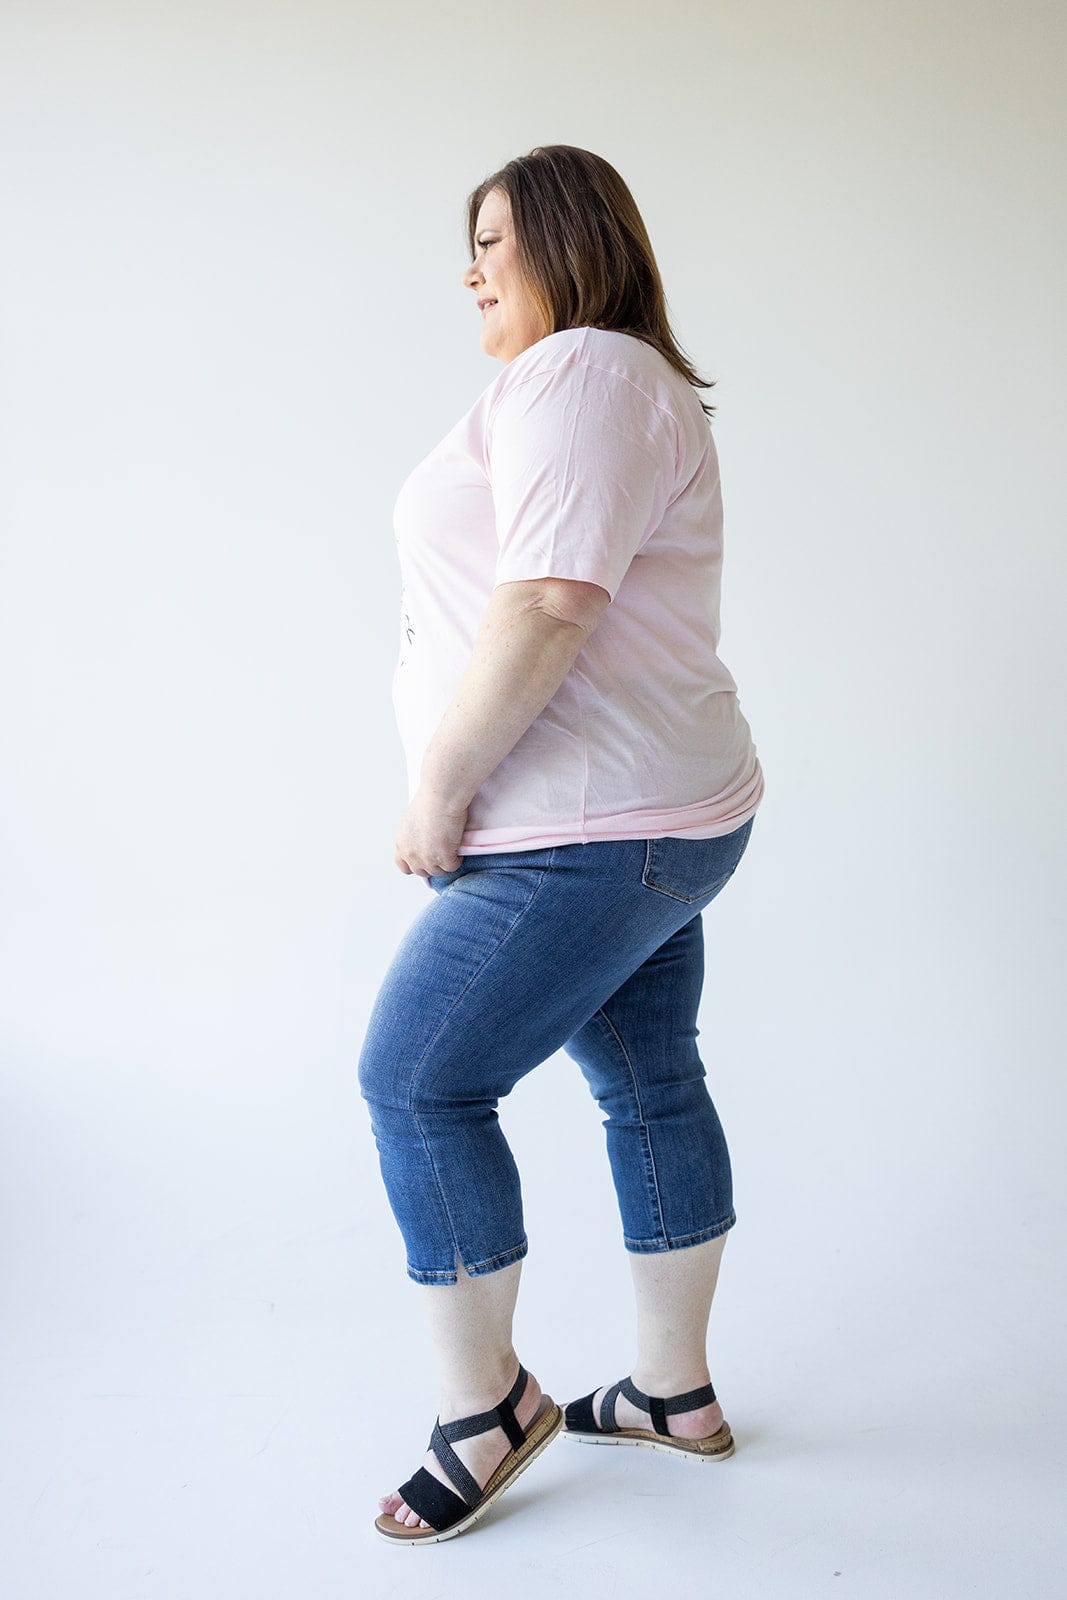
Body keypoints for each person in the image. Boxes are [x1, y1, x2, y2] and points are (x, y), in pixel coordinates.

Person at [359, 144, 765, 1546]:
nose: (468, 269)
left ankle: (489, 1410)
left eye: (492, 238)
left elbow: (543, 605)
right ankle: (672, 1394)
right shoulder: (611, 381)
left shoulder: (582, 370)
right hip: (658, 819)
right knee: (651, 1081)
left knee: (416, 1083)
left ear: (569, 240)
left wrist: (436, 795)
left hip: (585, 833)